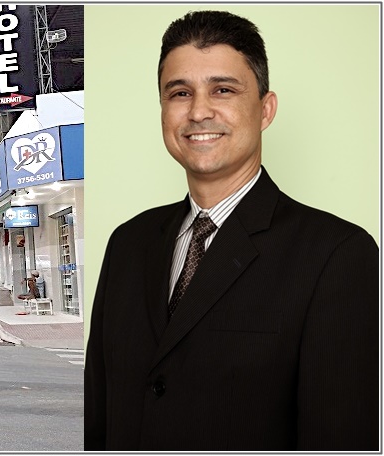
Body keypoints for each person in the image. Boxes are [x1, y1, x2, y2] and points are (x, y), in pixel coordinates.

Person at [84, 10, 379, 451]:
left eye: (223, 89)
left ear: (265, 108)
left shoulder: (338, 255)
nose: (199, 111)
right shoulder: (128, 242)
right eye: (179, 93)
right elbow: (99, 414)